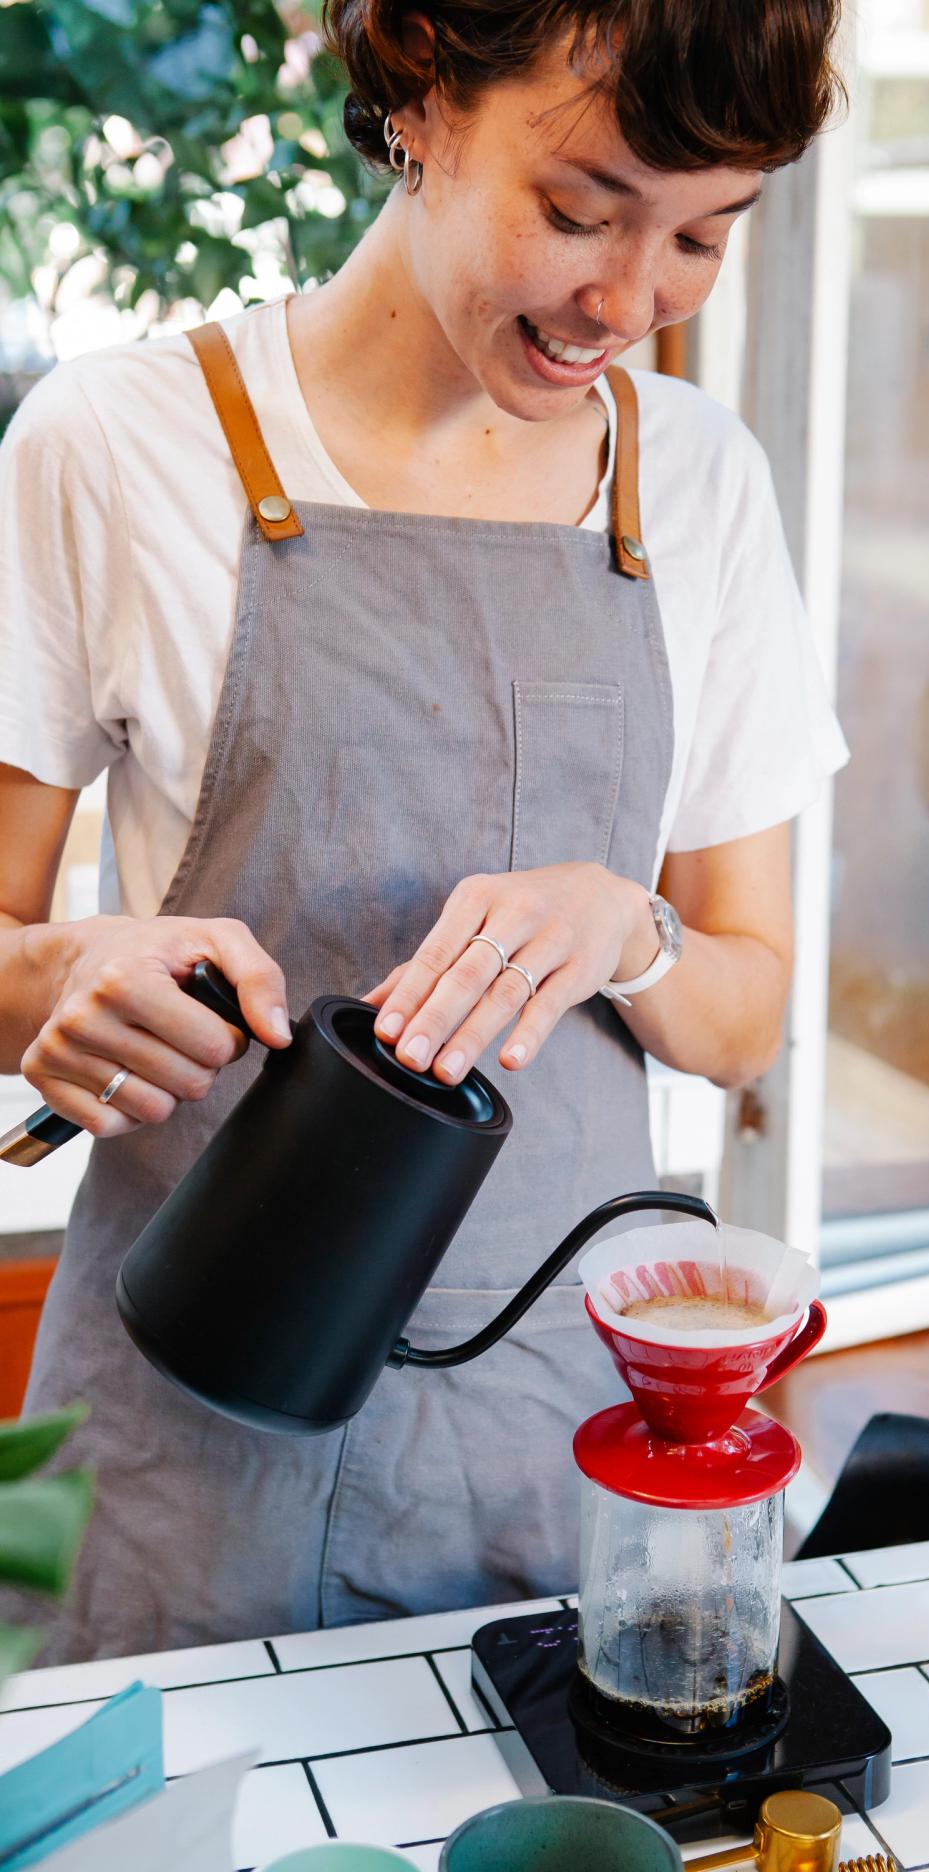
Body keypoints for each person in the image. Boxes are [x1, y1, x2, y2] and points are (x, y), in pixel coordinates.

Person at [0, 0, 847, 1663]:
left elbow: (746, 1015)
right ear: (419, 93)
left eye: (704, 236)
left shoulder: (700, 487)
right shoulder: (114, 449)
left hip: (552, 1442)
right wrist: (50, 985)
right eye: (580, 209)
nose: (628, 301)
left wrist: (631, 924)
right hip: (179, 1438)